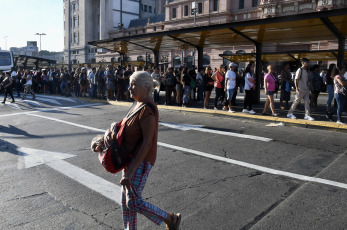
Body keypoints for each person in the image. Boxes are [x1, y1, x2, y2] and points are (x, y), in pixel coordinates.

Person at [103, 71, 181, 230]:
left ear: (145, 87)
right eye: (130, 84)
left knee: (133, 201)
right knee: (126, 202)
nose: (129, 88)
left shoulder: (147, 109)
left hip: (140, 161)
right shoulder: (137, 104)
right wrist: (110, 129)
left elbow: (147, 142)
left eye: (133, 85)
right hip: (130, 159)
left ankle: (170, 219)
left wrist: (131, 170)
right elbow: (122, 124)